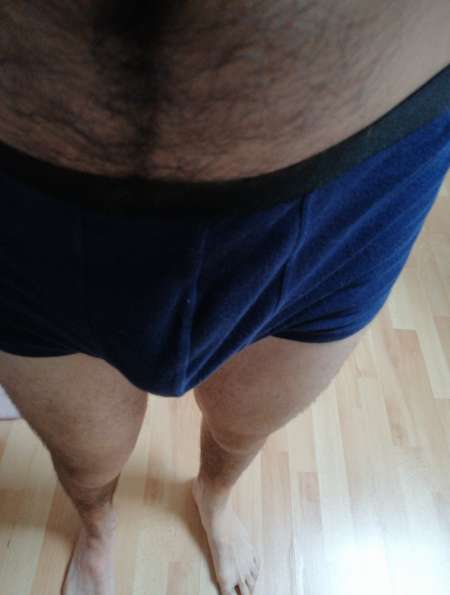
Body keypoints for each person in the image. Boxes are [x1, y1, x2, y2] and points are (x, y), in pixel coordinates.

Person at [0, 2, 449, 594]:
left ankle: (213, 497)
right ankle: (98, 527)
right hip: (20, 199)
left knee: (243, 427)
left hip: (351, 184)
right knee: (86, 455)